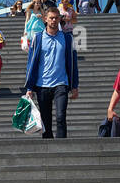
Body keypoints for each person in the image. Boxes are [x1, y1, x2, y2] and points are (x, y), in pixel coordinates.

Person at [21, 8, 80, 139]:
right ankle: (49, 149)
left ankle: (62, 147)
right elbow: (31, 63)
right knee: (46, 121)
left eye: (56, 18)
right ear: (45, 19)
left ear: (60, 19)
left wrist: (74, 85)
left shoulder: (67, 38)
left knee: (60, 117)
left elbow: (73, 63)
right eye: (51, 18)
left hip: (61, 83)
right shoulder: (38, 38)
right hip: (42, 85)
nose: (54, 20)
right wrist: (29, 87)